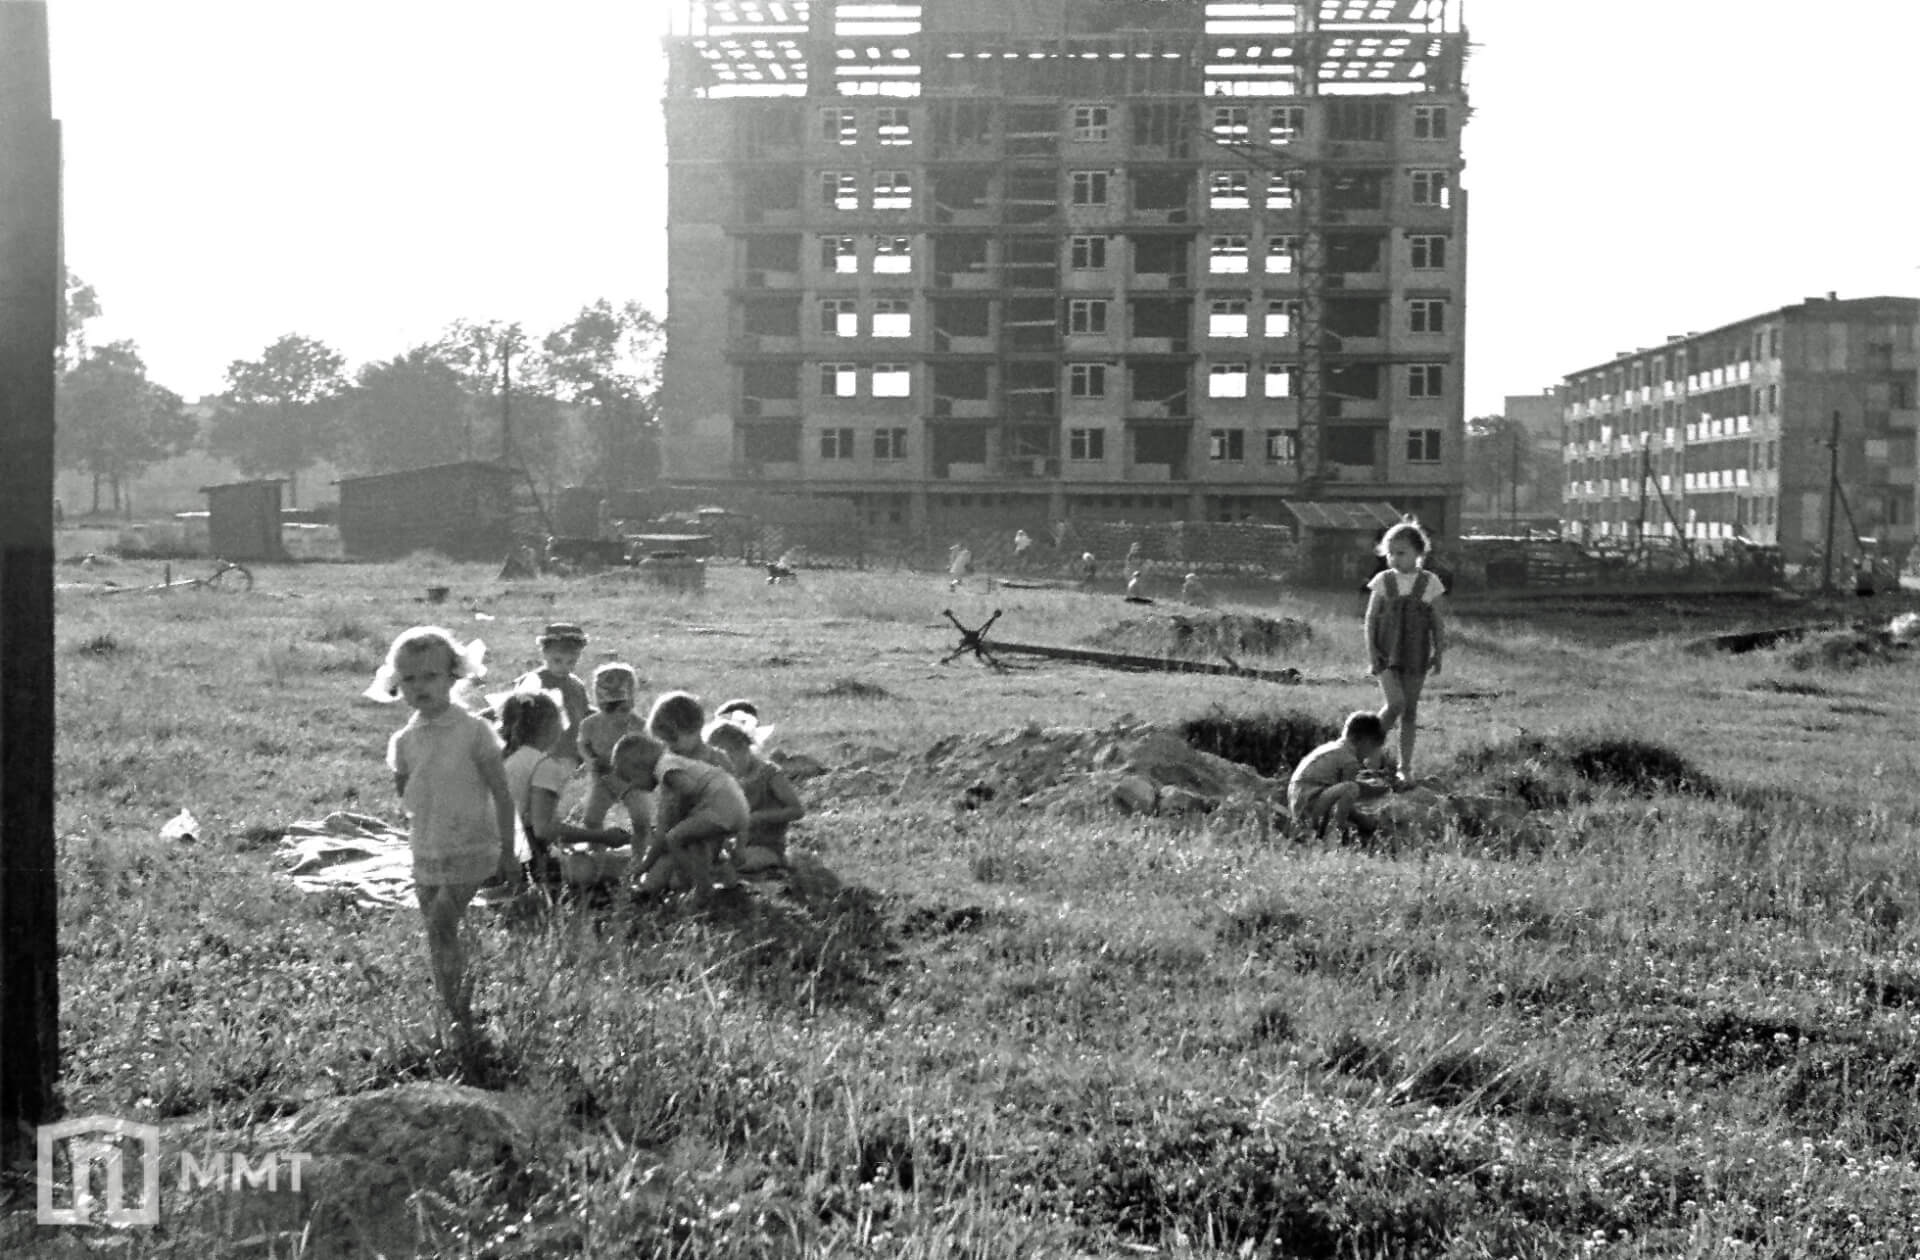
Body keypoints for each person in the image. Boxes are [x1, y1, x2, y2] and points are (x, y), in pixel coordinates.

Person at [375, 625, 517, 1033]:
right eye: (409, 679)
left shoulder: (474, 731)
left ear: (453, 676)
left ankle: (459, 1011)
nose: (420, 686)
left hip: (472, 843)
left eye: (430, 676)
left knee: (441, 921)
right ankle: (452, 1004)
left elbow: (502, 794)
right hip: (428, 846)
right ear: (396, 683)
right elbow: (407, 794)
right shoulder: (404, 740)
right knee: (438, 931)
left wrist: (508, 851)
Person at [498, 691, 626, 887]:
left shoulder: (506, 758)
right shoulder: (545, 765)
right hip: (523, 860)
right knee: (609, 865)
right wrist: (602, 837)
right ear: (550, 727)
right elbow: (543, 829)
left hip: (490, 853)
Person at [612, 730, 750, 902]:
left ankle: (700, 886)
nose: (633, 787)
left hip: (720, 805)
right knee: (694, 842)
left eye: (631, 779)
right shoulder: (670, 768)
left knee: (674, 838)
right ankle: (730, 886)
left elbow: (689, 788)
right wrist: (645, 866)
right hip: (734, 804)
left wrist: (678, 810)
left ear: (641, 765)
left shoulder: (665, 767)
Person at [1364, 519, 1447, 782]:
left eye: (1401, 553)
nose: (1394, 558)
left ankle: (1404, 767)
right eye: (1390, 553)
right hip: (1385, 654)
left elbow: (1437, 622)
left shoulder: (1430, 583)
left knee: (1409, 711)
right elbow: (1370, 620)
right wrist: (1372, 652)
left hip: (1416, 654)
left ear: (1418, 553)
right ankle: (1371, 753)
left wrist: (1439, 653)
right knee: (1395, 703)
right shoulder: (1383, 581)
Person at [705, 719, 805, 876]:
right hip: (735, 844)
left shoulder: (769, 775)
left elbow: (797, 810)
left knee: (740, 863)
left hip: (766, 845)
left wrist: (760, 817)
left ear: (744, 749)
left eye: (730, 756)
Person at [1287, 711, 1392, 840]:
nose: (1369, 756)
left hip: (1300, 800)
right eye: (1373, 748)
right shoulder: (1349, 760)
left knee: (1351, 788)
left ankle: (1325, 826)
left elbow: (1339, 794)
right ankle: (1337, 830)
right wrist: (1364, 820)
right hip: (1310, 802)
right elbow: (1349, 797)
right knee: (1351, 788)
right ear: (1365, 741)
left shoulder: (1332, 748)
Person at [577, 663, 649, 830]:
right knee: (591, 819)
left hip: (631, 780)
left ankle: (640, 852)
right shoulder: (590, 724)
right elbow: (582, 744)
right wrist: (589, 759)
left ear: (632, 701)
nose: (616, 715)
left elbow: (650, 749)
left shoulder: (639, 725)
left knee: (641, 818)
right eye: (609, 709)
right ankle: (596, 851)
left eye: (622, 709)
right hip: (603, 777)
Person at [514, 623, 591, 759]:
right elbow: (515, 716)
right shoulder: (533, 681)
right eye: (557, 661)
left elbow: (585, 714)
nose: (564, 667)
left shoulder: (576, 685)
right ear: (544, 653)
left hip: (571, 751)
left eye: (571, 662)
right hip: (539, 754)